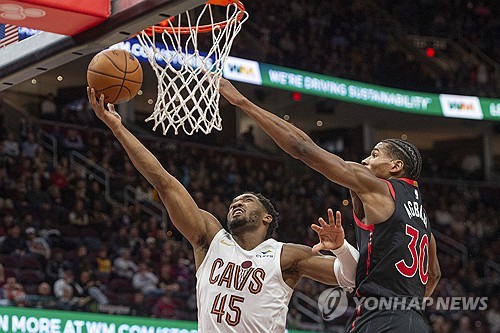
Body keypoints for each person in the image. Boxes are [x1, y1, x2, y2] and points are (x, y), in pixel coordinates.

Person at [87, 87, 359, 332]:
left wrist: (341, 248)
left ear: (267, 217)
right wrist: (118, 130)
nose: (236, 203)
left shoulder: (286, 255)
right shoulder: (209, 239)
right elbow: (163, 181)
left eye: (247, 200)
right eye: (233, 202)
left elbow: (352, 277)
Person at [218, 78, 441, 333]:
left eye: (376, 154)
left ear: (396, 167)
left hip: (380, 318)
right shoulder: (423, 220)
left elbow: (303, 149)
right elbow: (433, 274)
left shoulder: (378, 187)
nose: (366, 159)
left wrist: (242, 102)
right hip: (415, 322)